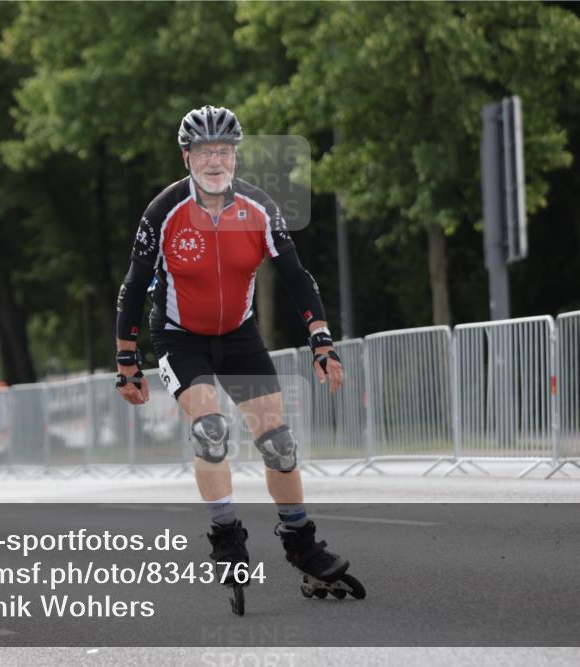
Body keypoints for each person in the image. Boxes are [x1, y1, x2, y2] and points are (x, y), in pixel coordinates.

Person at [115, 105, 353, 589]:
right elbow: (134, 286)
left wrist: (321, 340)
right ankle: (226, 536)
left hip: (240, 334)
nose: (215, 160)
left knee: (279, 442)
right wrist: (127, 360)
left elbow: (296, 276)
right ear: (187, 158)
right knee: (210, 429)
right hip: (180, 338)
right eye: (204, 151)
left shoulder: (260, 208)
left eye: (223, 150)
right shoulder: (163, 212)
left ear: (236, 157)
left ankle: (301, 543)